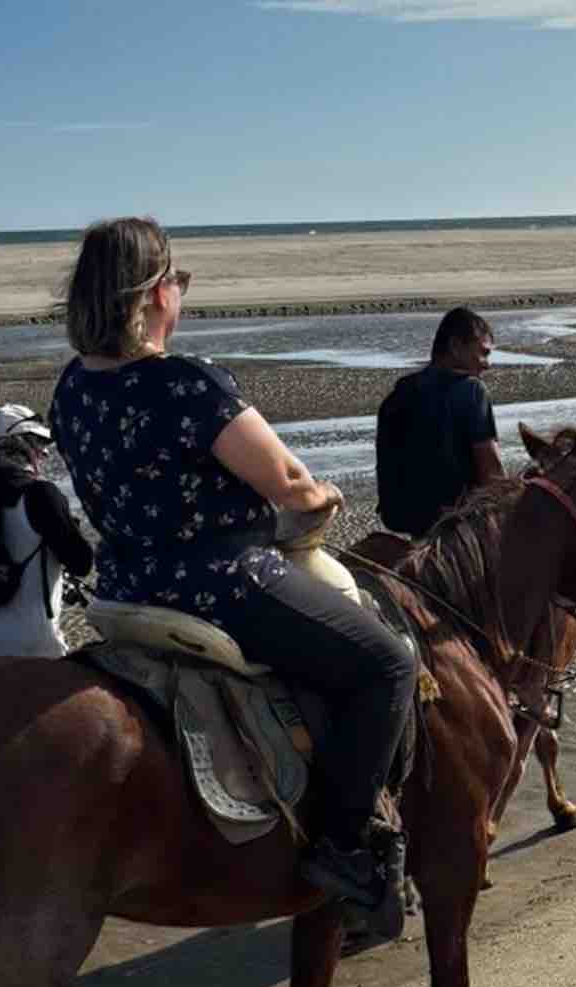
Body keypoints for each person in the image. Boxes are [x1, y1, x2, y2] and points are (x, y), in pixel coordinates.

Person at [49, 217, 415, 929]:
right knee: (388, 664)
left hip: (126, 590)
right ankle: (343, 846)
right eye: (178, 282)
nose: (179, 295)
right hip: (223, 583)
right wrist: (322, 499)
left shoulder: (70, 388)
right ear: (157, 293)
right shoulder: (186, 384)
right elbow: (288, 483)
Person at [0, 404, 94, 661]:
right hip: (38, 643)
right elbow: (82, 563)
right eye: (39, 442)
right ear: (22, 444)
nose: (46, 452)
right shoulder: (41, 495)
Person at [375, 306, 503, 537]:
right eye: (483, 353)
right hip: (456, 523)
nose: (487, 363)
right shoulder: (472, 391)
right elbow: (492, 472)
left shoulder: (400, 393)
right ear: (455, 347)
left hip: (404, 520)